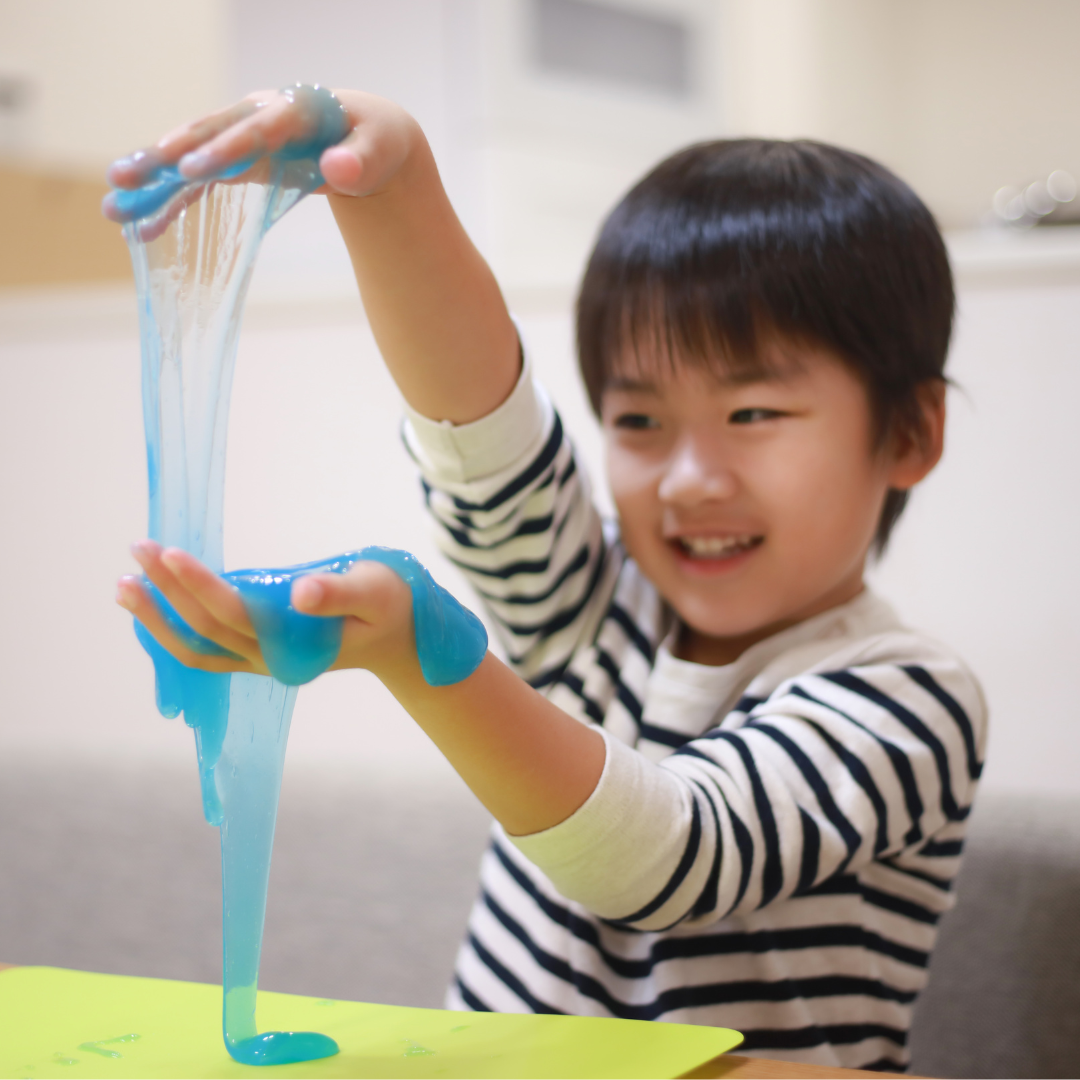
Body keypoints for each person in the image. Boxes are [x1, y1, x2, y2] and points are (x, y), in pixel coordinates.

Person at [114, 88, 986, 1071]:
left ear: (909, 434)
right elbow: (480, 439)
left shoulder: (908, 697)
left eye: (753, 417)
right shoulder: (589, 606)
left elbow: (668, 855)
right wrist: (392, 187)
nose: (691, 480)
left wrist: (426, 655)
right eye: (641, 423)